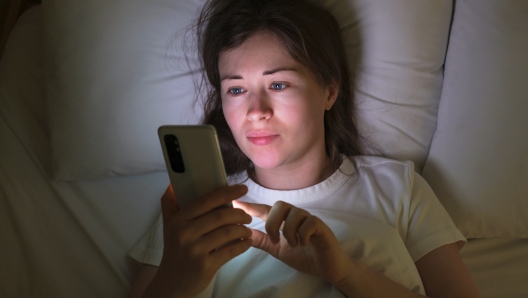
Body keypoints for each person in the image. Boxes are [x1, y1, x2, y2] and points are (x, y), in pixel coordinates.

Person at [128, 0, 481, 297]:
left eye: (278, 84)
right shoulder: (196, 211)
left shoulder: (398, 188)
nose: (256, 111)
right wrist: (174, 282)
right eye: (236, 90)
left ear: (329, 91)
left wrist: (345, 273)